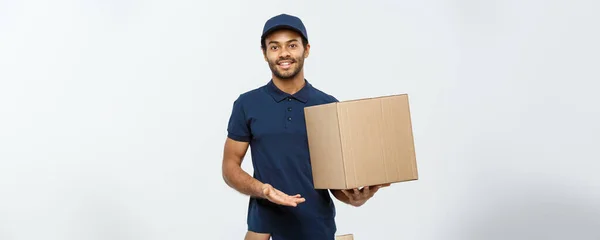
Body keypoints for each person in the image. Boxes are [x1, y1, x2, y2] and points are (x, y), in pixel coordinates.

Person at [221, 13, 390, 240]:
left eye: (292, 45)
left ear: (306, 49)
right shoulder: (247, 104)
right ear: (265, 54)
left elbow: (334, 181)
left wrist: (354, 198)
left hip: (316, 229)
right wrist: (263, 190)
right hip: (263, 230)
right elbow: (230, 167)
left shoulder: (328, 105)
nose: (284, 53)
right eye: (274, 47)